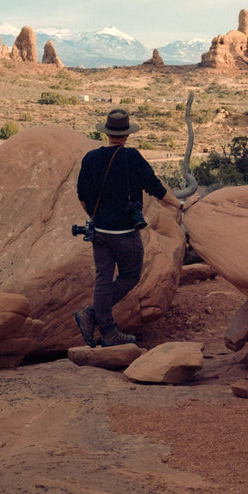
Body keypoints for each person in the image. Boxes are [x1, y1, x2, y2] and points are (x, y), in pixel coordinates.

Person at [74, 107, 187, 347]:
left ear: (107, 132)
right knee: (130, 275)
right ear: (126, 135)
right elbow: (155, 187)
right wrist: (178, 204)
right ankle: (94, 316)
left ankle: (106, 329)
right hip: (125, 233)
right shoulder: (132, 158)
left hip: (99, 231)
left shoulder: (90, 158)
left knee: (103, 279)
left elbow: (82, 196)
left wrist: (96, 216)